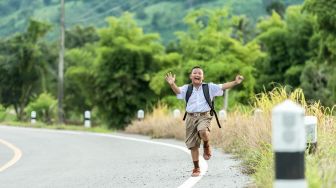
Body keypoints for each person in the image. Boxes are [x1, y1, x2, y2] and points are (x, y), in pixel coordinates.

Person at [165, 66, 244, 177]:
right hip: (190, 117)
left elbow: (223, 86)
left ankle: (206, 145)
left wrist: (235, 82)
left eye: (199, 73)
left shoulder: (209, 87)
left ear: (203, 76)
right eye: (195, 73)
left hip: (204, 115)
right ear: (191, 76)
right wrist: (172, 83)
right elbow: (178, 91)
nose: (197, 75)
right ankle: (196, 168)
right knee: (193, 145)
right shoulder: (187, 88)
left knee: (202, 131)